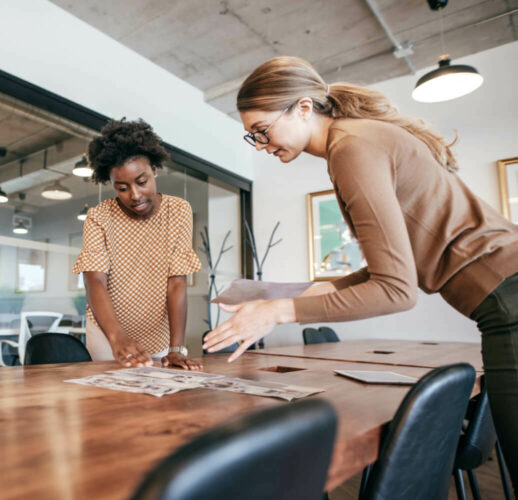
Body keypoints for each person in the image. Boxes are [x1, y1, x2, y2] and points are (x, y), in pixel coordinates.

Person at [202, 56, 518, 485]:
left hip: (508, 301)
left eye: (263, 131)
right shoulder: (356, 140)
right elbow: (393, 269)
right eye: (252, 136)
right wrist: (311, 292)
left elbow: (396, 290)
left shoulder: (351, 147)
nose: (261, 145)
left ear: (303, 107)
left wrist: (278, 312)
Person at [73, 119, 203, 371]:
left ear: (154, 169)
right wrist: (116, 336)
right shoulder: (99, 217)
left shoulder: (178, 211)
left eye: (141, 182)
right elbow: (94, 280)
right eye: (122, 188)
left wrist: (176, 349)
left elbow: (176, 282)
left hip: (159, 337)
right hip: (108, 335)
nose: (134, 195)